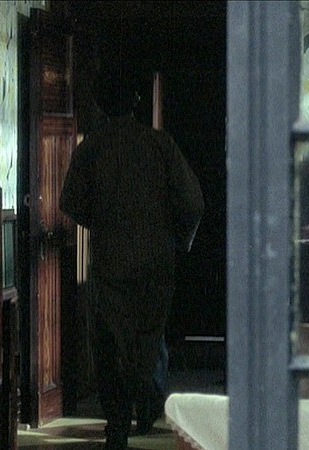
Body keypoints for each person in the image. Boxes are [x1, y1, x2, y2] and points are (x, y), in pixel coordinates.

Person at [59, 66, 205, 450]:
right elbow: (193, 202)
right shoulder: (160, 145)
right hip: (156, 261)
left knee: (111, 346)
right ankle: (148, 402)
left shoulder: (91, 149)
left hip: (110, 262)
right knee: (147, 342)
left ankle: (118, 424)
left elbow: (70, 202)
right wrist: (178, 241)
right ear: (137, 101)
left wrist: (101, 220)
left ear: (99, 104)